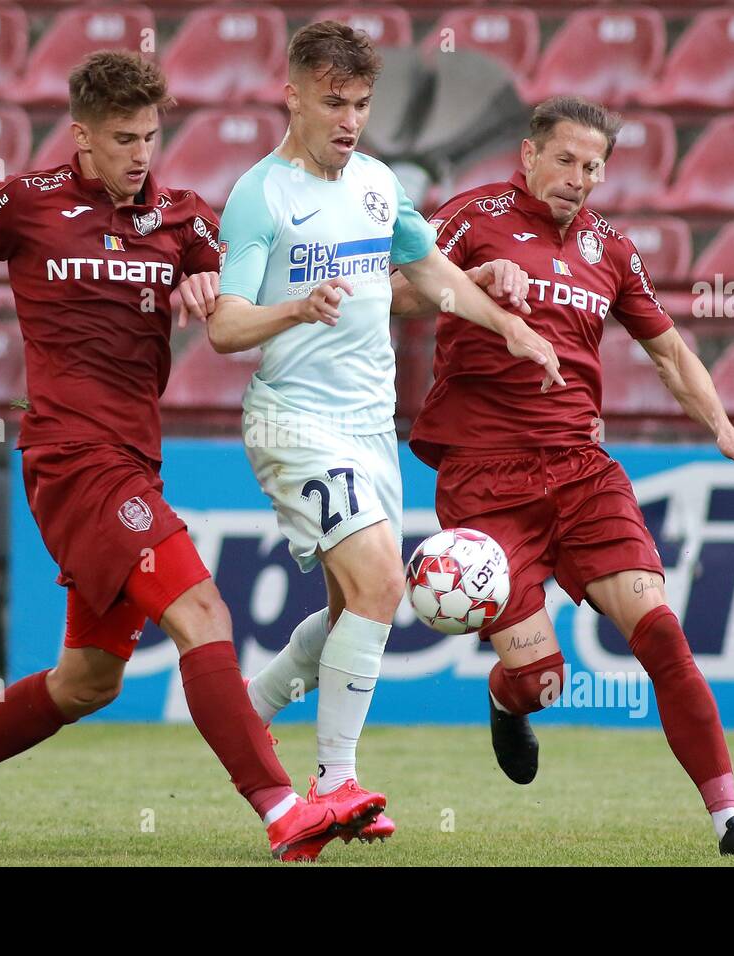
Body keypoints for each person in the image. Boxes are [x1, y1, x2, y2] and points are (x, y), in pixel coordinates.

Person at [0, 51, 383, 862]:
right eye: (122, 138)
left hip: (133, 461)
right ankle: (285, 809)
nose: (141, 153)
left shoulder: (185, 216)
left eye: (150, 135)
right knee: (203, 615)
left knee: (88, 681)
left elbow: (227, 303)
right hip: (71, 459)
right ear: (80, 135)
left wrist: (208, 286)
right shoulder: (26, 202)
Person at [390, 94, 734, 857]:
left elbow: (669, 352)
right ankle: (508, 704)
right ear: (530, 156)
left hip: (582, 472)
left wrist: (726, 430)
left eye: (592, 165)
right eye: (565, 159)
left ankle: (731, 822)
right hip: (484, 480)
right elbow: (396, 292)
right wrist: (476, 284)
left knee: (662, 635)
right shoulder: (471, 217)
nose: (578, 176)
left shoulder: (613, 250)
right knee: (543, 681)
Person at [209, 22, 563, 851]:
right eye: (333, 101)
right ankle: (335, 784)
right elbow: (226, 327)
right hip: (295, 417)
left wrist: (506, 325)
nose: (350, 119)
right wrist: (294, 306)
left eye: (362, 104)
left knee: (349, 610)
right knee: (379, 586)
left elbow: (427, 272)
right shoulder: (260, 195)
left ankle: (246, 711)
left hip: (372, 426)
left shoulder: (374, 183)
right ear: (291, 94)